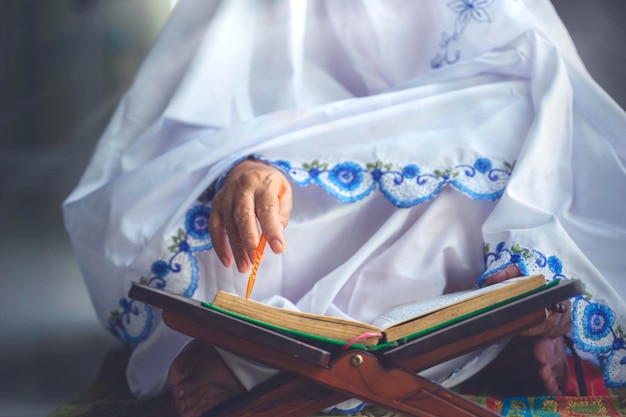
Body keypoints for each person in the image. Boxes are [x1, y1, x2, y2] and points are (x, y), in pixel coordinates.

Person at [63, 1, 626, 416]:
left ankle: (265, 359)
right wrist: (244, 164)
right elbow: (191, 116)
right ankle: (499, 322)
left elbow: (537, 72)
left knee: (508, 125)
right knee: (241, 225)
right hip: (298, 193)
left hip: (448, 162)